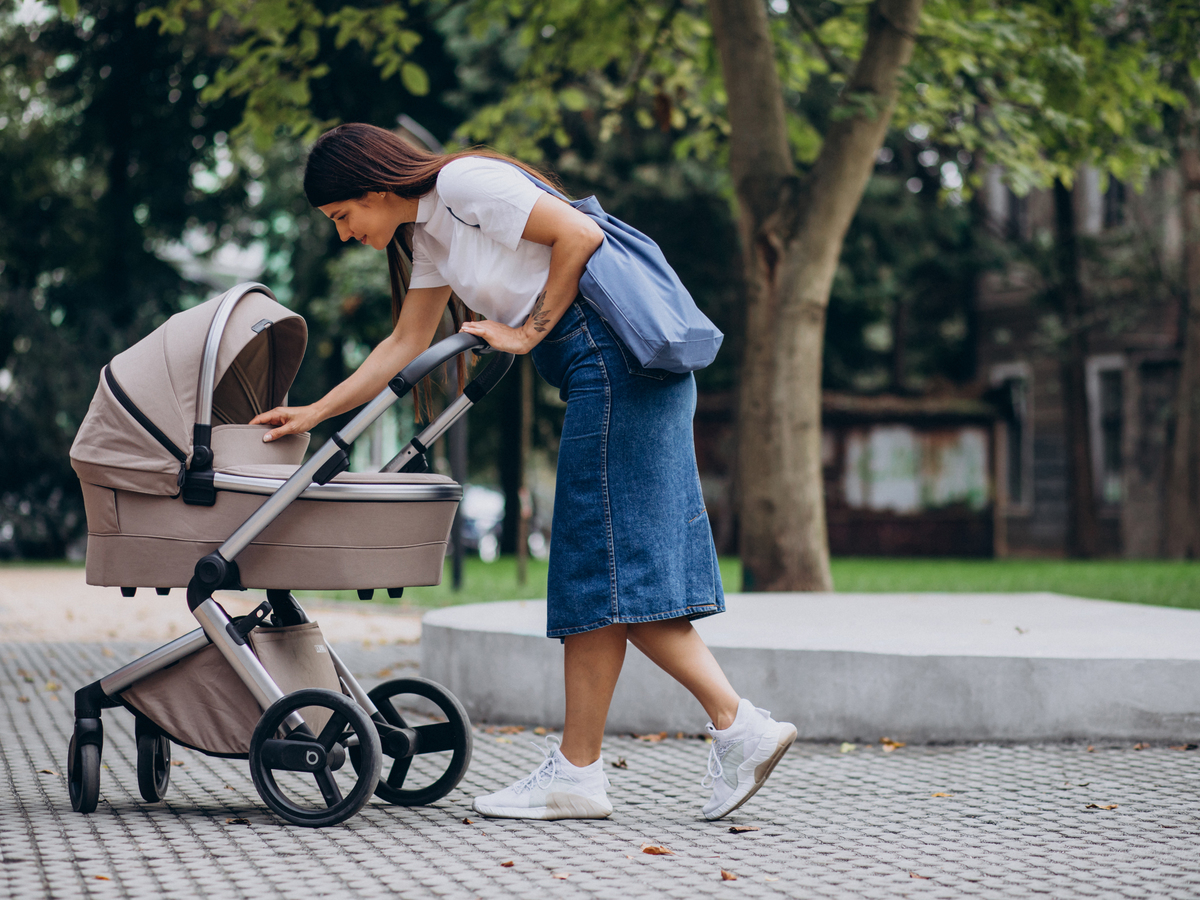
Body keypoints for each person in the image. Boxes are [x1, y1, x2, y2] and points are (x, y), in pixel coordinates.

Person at [251, 122, 797, 821]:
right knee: (606, 571)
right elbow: (406, 343)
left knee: (601, 567)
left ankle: (730, 728)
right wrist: (313, 412)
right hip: (611, 372)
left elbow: (578, 236)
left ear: (377, 188)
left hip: (610, 364)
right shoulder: (428, 236)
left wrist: (528, 331)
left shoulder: (463, 183)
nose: (343, 232)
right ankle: (586, 770)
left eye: (342, 216)